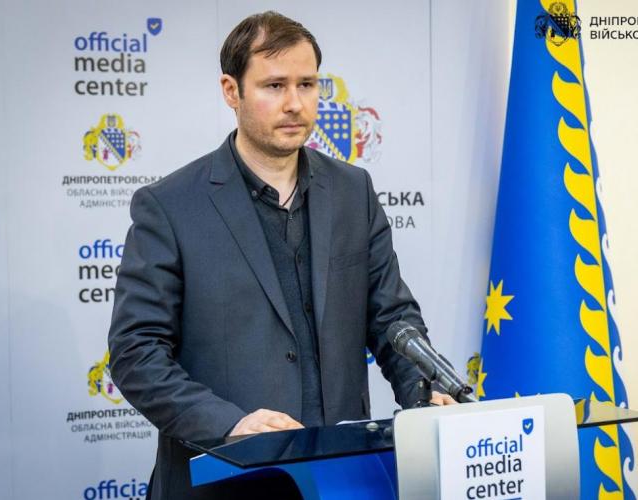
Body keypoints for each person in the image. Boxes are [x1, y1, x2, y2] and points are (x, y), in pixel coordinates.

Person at [108, 11, 454, 500]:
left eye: (307, 84)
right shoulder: (169, 206)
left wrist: (424, 394)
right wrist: (230, 424)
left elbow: (392, 317)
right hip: (224, 482)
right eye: (274, 86)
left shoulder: (353, 191)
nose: (295, 103)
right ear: (231, 91)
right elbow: (136, 352)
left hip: (342, 478)